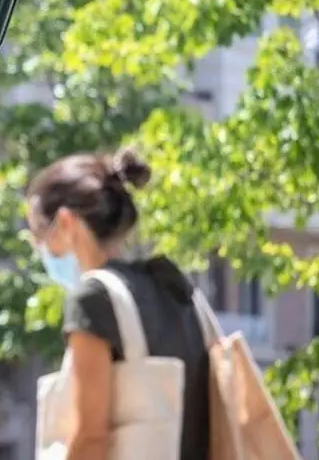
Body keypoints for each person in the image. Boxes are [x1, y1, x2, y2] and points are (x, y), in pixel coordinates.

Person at [26, 148, 210, 460]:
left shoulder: (93, 298)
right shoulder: (176, 289)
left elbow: (91, 439)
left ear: (67, 223)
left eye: (39, 236)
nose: (40, 250)